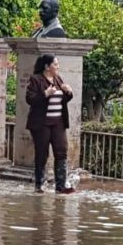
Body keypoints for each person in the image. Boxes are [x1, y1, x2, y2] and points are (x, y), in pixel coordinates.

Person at [25, 54, 75, 194]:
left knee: (61, 150)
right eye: (55, 64)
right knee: (42, 153)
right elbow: (30, 99)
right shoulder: (36, 80)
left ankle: (61, 185)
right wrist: (45, 93)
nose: (58, 67)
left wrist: (68, 92)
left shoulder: (58, 79)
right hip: (42, 123)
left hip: (58, 122)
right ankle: (39, 184)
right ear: (47, 67)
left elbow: (63, 99)